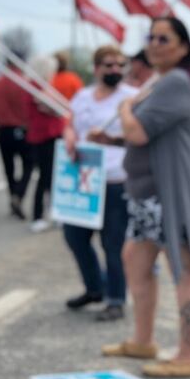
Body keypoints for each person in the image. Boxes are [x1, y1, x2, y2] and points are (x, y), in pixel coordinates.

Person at [101, 17, 190, 378]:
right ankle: (143, 340)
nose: (154, 44)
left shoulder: (177, 83)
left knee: (184, 270)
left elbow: (138, 132)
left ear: (183, 47)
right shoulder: (162, 82)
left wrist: (123, 111)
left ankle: (187, 355)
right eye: (151, 37)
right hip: (147, 197)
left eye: (163, 38)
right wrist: (112, 139)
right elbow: (149, 136)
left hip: (171, 198)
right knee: (135, 260)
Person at [62, 45, 137, 321]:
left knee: (113, 243)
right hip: (84, 180)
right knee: (75, 237)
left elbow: (140, 136)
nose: (114, 70)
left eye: (119, 65)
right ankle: (94, 288)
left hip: (116, 180)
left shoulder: (131, 98)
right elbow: (70, 123)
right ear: (96, 69)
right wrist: (69, 135)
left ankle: (116, 298)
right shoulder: (82, 97)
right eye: (108, 65)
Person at [24, 54, 66, 233]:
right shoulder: (35, 88)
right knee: (45, 177)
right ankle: (38, 215)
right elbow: (55, 108)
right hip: (45, 137)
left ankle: (54, 212)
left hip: (50, 136)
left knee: (52, 177)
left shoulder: (42, 87)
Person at [0, 61, 31, 219]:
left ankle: (13, 195)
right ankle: (18, 194)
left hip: (3, 130)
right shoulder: (25, 84)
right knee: (29, 164)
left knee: (8, 168)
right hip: (21, 129)